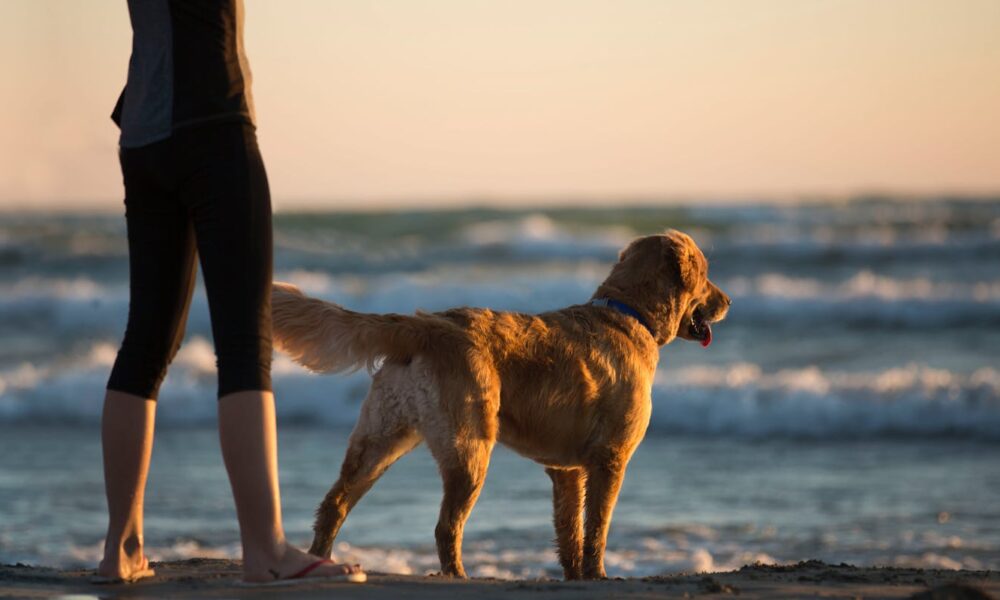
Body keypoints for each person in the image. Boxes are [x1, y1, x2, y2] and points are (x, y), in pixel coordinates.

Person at [95, 0, 365, 584]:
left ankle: (121, 547)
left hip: (144, 134)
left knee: (144, 343)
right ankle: (265, 550)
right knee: (244, 344)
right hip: (213, 123)